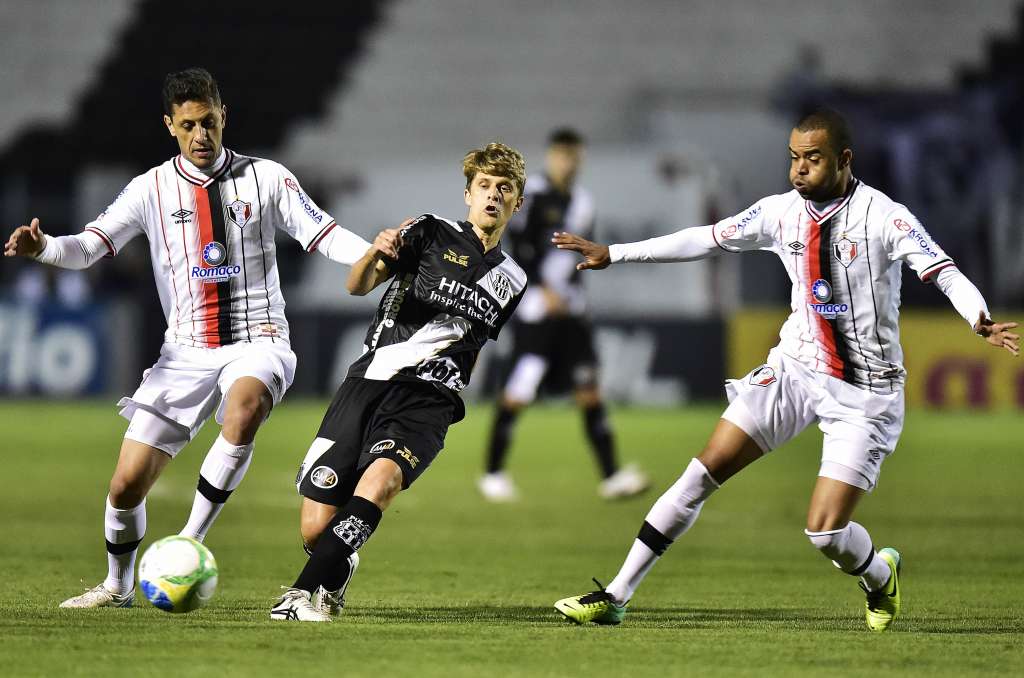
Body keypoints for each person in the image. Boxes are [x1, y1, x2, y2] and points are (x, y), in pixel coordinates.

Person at [550, 108, 1019, 631]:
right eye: (794, 158)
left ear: (843, 160)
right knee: (701, 472)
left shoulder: (886, 217)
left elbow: (943, 270)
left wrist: (980, 319)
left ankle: (881, 575)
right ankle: (615, 596)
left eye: (812, 159)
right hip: (795, 368)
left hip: (865, 393)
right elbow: (704, 239)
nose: (799, 169)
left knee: (824, 533)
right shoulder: (779, 212)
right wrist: (615, 253)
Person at [3, 67, 371, 609]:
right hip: (184, 352)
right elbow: (88, 247)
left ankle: (189, 543)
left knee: (244, 407)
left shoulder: (266, 178)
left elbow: (326, 234)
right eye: (189, 125)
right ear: (170, 126)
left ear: (224, 118)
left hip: (258, 337)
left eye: (209, 123)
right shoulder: (149, 189)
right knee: (125, 486)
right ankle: (118, 585)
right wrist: (44, 249)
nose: (201, 136)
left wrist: (378, 252)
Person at [270, 141, 529, 622]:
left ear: (518, 202)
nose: (493, 196)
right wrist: (375, 252)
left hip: (431, 399)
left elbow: (470, 342)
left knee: (383, 481)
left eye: (505, 189)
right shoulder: (429, 232)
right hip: (370, 379)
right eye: (485, 186)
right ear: (469, 194)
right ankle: (335, 569)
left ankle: (297, 596)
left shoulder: (513, 279)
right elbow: (358, 285)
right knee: (316, 530)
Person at [479, 128, 648, 502]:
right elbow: (517, 246)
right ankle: (492, 472)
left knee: (589, 387)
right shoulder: (533, 195)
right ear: (551, 156)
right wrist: (541, 287)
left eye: (573, 155)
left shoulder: (583, 202)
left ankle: (611, 475)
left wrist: (574, 293)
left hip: (572, 309)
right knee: (521, 387)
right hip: (537, 309)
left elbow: (577, 254)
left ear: (581, 158)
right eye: (561, 155)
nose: (567, 162)